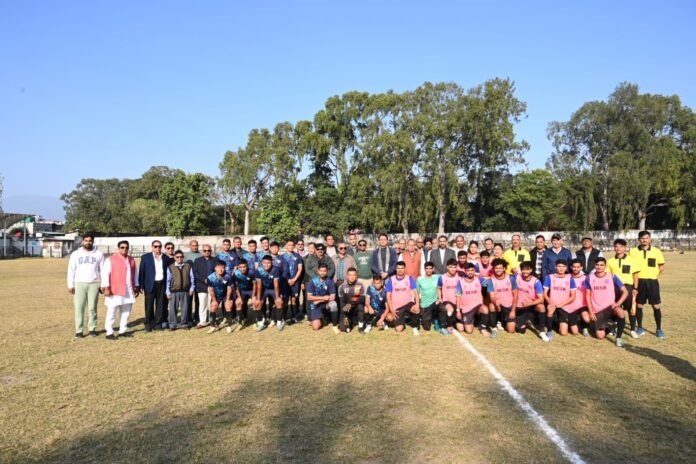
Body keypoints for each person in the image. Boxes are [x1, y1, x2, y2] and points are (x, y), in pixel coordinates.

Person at [629, 230, 666, 338]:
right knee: (639, 305)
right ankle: (640, 328)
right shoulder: (633, 251)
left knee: (656, 305)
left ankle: (659, 329)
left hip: (652, 281)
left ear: (650, 239)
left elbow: (661, 266)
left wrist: (654, 275)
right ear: (639, 239)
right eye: (642, 238)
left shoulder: (656, 251)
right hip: (639, 281)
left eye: (646, 238)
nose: (644, 240)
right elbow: (630, 266)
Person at [67, 233, 105, 338]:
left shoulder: (99, 254)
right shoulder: (76, 254)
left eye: (90, 240)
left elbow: (103, 270)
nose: (88, 242)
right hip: (79, 283)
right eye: (86, 240)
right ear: (83, 241)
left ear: (93, 241)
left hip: (94, 283)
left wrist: (102, 284)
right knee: (79, 308)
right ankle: (79, 330)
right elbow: (71, 270)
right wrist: (70, 284)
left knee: (92, 308)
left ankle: (92, 329)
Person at [585, 258, 629, 347]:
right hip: (597, 310)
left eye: (601, 265)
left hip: (611, 307)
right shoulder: (589, 277)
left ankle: (618, 338)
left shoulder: (612, 276)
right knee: (600, 336)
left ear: (605, 266)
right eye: (597, 265)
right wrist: (590, 311)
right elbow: (587, 295)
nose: (599, 267)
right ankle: (609, 328)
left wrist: (618, 303)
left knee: (620, 312)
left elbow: (625, 292)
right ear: (594, 266)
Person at [100, 240, 138, 340]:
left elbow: (135, 274)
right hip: (114, 289)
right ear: (118, 248)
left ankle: (122, 331)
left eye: (126, 248)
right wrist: (106, 287)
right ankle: (109, 332)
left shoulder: (131, 259)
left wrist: (136, 286)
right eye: (122, 247)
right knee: (112, 311)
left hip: (128, 289)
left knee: (126, 311)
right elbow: (105, 274)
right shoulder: (111, 259)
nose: (124, 249)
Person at [607, 239, 640, 338]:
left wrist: (635, 288)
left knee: (631, 308)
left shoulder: (631, 260)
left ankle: (633, 329)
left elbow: (635, 275)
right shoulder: (610, 261)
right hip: (615, 288)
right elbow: (608, 276)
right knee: (616, 308)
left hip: (628, 287)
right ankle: (616, 327)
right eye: (616, 246)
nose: (618, 248)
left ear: (625, 248)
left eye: (620, 246)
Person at [139, 240, 172, 332]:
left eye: (159, 246)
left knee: (160, 305)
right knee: (149, 306)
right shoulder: (145, 257)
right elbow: (142, 271)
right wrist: (141, 285)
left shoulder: (165, 258)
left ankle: (158, 324)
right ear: (152, 247)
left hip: (162, 284)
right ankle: (148, 324)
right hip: (150, 284)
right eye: (155, 246)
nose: (158, 248)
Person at [542, 259, 577, 342]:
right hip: (553, 303)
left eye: (563, 267)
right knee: (550, 310)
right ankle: (549, 331)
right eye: (559, 266)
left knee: (564, 333)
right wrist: (550, 302)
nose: (561, 268)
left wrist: (562, 304)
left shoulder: (570, 278)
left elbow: (573, 296)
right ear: (555, 267)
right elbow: (545, 293)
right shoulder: (549, 277)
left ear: (566, 268)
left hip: (564, 305)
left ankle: (557, 323)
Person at [384, 262, 421, 335]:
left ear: (404, 269)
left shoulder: (409, 278)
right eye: (398, 268)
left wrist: (417, 304)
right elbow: (388, 296)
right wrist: (391, 309)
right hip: (397, 307)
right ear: (396, 269)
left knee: (416, 309)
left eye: (402, 268)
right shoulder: (391, 279)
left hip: (408, 304)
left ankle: (414, 327)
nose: (400, 270)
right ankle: (403, 320)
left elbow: (415, 292)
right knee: (398, 329)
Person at [487, 258, 519, 335]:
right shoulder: (491, 280)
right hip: (498, 305)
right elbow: (492, 296)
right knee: (491, 306)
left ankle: (503, 321)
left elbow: (515, 295)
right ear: (493, 269)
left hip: (509, 305)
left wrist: (513, 311)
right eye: (496, 268)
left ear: (504, 268)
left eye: (500, 268)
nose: (498, 270)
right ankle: (494, 326)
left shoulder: (511, 278)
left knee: (511, 330)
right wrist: (495, 301)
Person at [165, 250, 195, 330]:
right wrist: (167, 292)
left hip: (185, 291)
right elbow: (168, 280)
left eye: (181, 257)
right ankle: (172, 324)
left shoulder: (188, 266)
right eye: (177, 257)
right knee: (173, 309)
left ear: (183, 257)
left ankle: (184, 324)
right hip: (174, 291)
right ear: (174, 258)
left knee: (185, 309)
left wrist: (192, 288)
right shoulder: (170, 267)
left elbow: (192, 278)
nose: (179, 258)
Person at [456, 262, 488, 335]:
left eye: (472, 270)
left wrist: (485, 283)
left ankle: (483, 328)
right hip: (466, 308)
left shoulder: (479, 279)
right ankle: (461, 320)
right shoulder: (460, 282)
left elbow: (487, 284)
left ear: (474, 271)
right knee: (468, 331)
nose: (470, 272)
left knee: (485, 309)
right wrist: (458, 310)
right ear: (465, 271)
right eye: (468, 270)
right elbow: (458, 297)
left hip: (477, 305)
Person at [255, 255, 284, 332]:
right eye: (264, 263)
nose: (266, 265)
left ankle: (279, 323)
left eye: (268, 263)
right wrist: (258, 299)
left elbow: (276, 284)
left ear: (272, 263)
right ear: (262, 263)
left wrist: (277, 297)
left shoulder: (275, 269)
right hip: (263, 289)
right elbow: (259, 285)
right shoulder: (258, 270)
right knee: (257, 304)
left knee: (279, 302)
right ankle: (260, 323)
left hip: (273, 289)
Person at [515, 261, 545, 336]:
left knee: (541, 307)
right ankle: (526, 320)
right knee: (521, 330)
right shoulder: (516, 277)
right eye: (523, 269)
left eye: (527, 269)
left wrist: (529, 304)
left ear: (531, 270)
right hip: (520, 306)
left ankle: (542, 330)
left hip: (531, 305)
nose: (525, 271)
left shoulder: (536, 282)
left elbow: (541, 299)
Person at [306, 263, 338, 332]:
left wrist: (319, 300)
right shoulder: (313, 281)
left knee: (333, 304)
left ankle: (334, 325)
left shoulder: (330, 281)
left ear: (327, 271)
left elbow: (333, 297)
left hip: (326, 304)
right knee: (315, 327)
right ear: (318, 271)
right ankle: (323, 319)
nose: (322, 273)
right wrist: (323, 298)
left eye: (324, 271)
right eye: (321, 271)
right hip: (316, 305)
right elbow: (309, 297)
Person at [564, 259, 591, 336]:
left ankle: (585, 327)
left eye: (578, 267)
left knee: (587, 319)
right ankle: (569, 323)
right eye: (574, 267)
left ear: (581, 267)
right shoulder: (566, 277)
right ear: (571, 267)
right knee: (575, 332)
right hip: (570, 305)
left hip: (582, 304)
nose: (576, 269)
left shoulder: (586, 278)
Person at [192, 244, 216, 328]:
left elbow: (217, 272)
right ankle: (202, 321)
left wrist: (212, 279)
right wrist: (203, 279)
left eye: (208, 250)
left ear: (211, 251)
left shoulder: (215, 260)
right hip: (201, 286)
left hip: (212, 285)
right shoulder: (197, 261)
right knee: (202, 304)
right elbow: (195, 273)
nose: (207, 252)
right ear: (202, 251)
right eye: (205, 251)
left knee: (211, 304)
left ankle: (212, 320)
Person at [206, 261, 233, 334]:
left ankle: (229, 326)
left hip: (225, 294)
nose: (221, 269)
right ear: (215, 268)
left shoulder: (228, 276)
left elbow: (229, 289)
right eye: (219, 267)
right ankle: (212, 326)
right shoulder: (210, 277)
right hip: (216, 295)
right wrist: (214, 300)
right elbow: (211, 290)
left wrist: (228, 300)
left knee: (228, 306)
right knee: (213, 307)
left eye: (223, 268)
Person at [282, 239, 304, 323]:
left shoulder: (298, 256)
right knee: (285, 299)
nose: (291, 246)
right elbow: (281, 270)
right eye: (289, 245)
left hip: (295, 281)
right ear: (286, 246)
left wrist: (294, 279)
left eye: (292, 245)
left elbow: (300, 268)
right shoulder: (282, 257)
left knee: (294, 299)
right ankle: (284, 316)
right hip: (285, 281)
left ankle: (294, 316)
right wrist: (288, 279)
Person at [437, 259, 460, 336]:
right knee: (450, 310)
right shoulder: (442, 277)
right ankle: (447, 327)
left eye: (454, 267)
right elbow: (438, 288)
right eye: (451, 267)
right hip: (446, 300)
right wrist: (440, 298)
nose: (453, 269)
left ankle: (451, 324)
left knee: (461, 327)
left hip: (457, 300)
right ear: (447, 267)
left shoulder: (459, 277)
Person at [337, 268, 365, 333]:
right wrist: (344, 310)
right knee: (344, 329)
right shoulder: (342, 287)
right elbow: (341, 302)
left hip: (356, 307)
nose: (352, 277)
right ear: (347, 276)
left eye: (354, 275)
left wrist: (351, 303)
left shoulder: (360, 285)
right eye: (350, 275)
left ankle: (360, 327)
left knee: (361, 306)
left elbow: (362, 299)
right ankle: (350, 322)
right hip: (347, 309)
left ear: (356, 276)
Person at [233, 259, 257, 329]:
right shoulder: (236, 274)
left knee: (255, 302)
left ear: (247, 266)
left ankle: (256, 320)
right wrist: (239, 297)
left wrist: (253, 296)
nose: (243, 269)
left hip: (251, 290)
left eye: (244, 266)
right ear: (238, 267)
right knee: (238, 303)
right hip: (242, 291)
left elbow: (255, 285)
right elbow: (236, 286)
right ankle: (241, 321)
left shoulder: (251, 272)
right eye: (241, 267)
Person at [183, 240, 202, 325]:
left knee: (198, 300)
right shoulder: (185, 256)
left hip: (199, 281)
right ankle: (189, 318)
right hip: (188, 281)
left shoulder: (201, 255)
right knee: (188, 300)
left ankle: (197, 317)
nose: (195, 247)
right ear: (190, 246)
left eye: (196, 245)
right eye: (193, 245)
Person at [416, 261, 439, 332]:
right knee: (427, 328)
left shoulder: (437, 277)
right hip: (425, 304)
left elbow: (447, 275)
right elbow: (417, 293)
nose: (428, 270)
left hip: (435, 302)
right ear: (424, 269)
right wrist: (418, 304)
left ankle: (437, 320)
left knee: (443, 309)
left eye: (430, 268)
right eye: (427, 268)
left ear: (433, 269)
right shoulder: (419, 279)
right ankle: (423, 318)